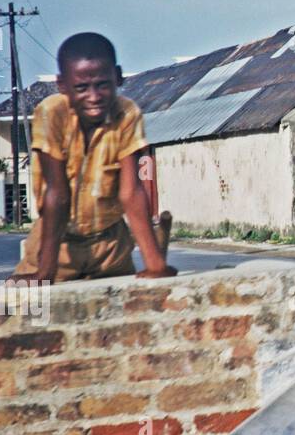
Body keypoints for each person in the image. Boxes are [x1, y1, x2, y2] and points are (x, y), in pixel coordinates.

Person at [10, 32, 175, 283]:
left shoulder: (127, 113)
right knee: (26, 312)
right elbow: (57, 193)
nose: (94, 97)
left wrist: (155, 265)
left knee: (124, 314)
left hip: (111, 247)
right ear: (62, 85)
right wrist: (45, 272)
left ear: (118, 77)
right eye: (81, 88)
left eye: (102, 84)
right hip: (58, 245)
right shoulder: (51, 113)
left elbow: (131, 192)